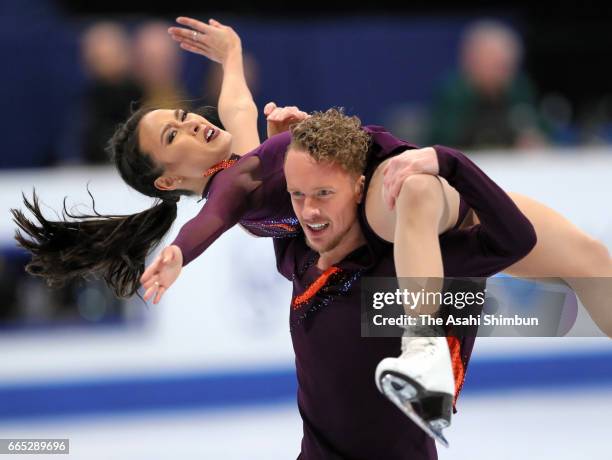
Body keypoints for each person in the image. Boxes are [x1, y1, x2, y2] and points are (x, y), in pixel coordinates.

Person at [11, 14, 611, 445]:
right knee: (416, 194)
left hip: (430, 198)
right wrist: (180, 253)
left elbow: (238, 109)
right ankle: (425, 358)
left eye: (183, 117)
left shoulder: (244, 155)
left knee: (589, 259)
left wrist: (230, 57)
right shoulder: (233, 188)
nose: (193, 125)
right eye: (173, 138)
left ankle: (430, 345)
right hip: (385, 195)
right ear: (167, 182)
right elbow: (212, 217)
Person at [270, 109, 535, 457]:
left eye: (323, 193)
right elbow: (258, 193)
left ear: (359, 188)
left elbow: (516, 240)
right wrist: (273, 143)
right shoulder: (298, 256)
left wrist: (450, 163)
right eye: (298, 195)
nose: (309, 211)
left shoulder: (402, 270)